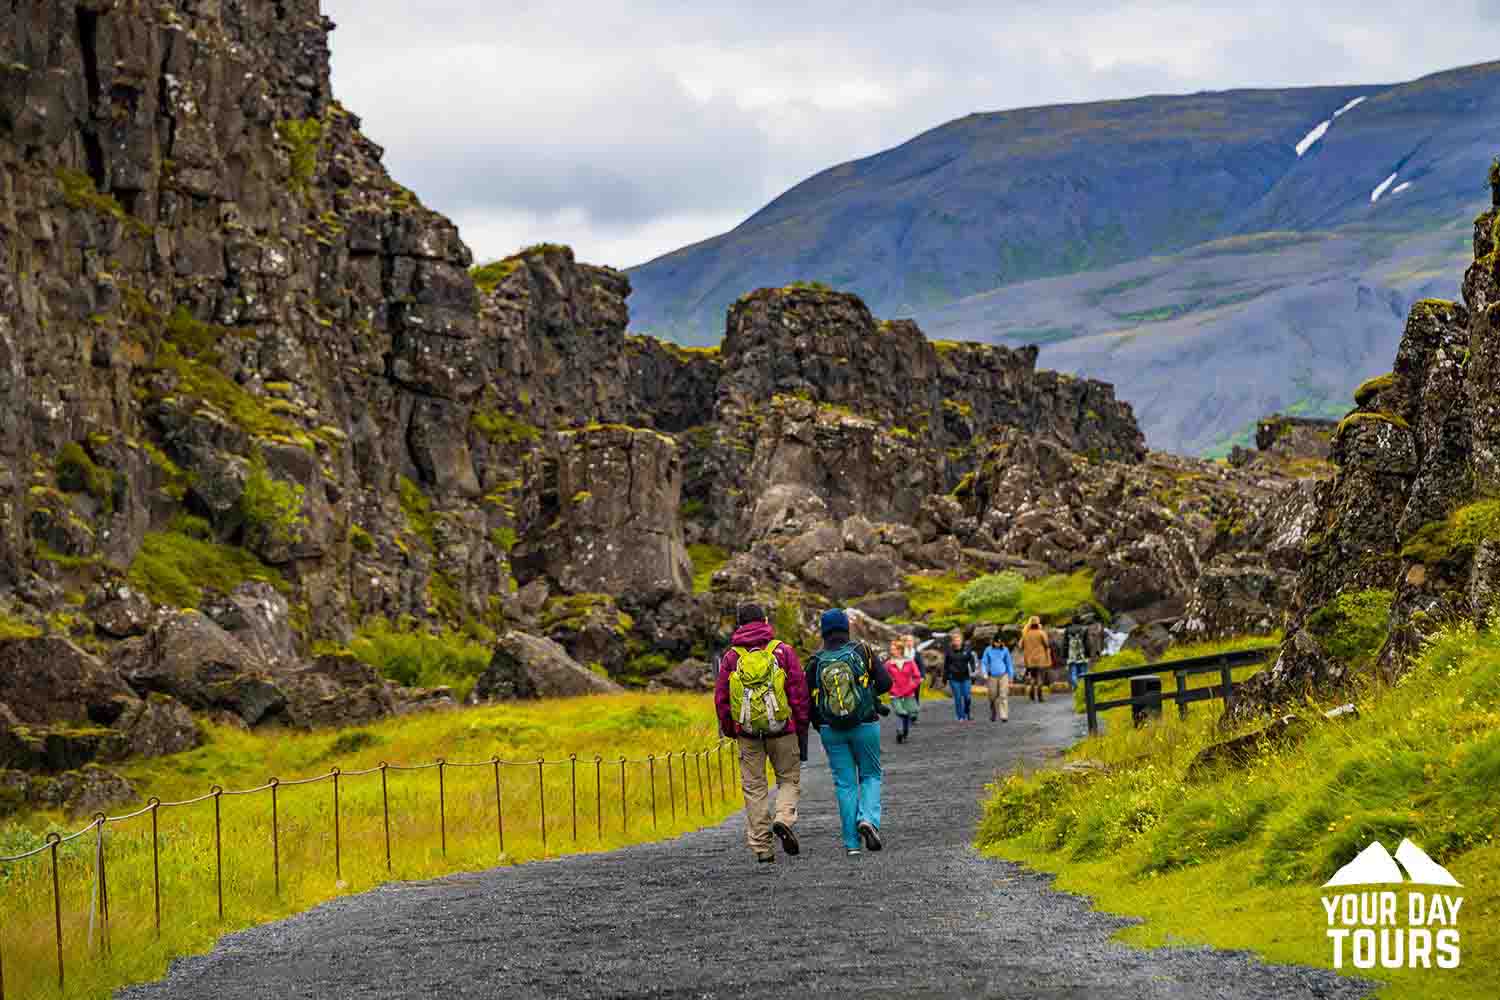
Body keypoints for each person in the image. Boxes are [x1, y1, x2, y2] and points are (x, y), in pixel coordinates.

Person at [714, 602, 811, 864]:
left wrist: (731, 729)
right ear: (765, 620)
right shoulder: (782, 651)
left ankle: (762, 848)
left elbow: (722, 698)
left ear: (739, 624)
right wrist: (800, 726)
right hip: (783, 730)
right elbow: (798, 692)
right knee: (788, 779)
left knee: (754, 788)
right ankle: (784, 818)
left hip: (746, 733)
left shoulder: (731, 657)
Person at [807, 608, 891, 856]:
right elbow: (886, 683)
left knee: (845, 784)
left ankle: (852, 844)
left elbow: (806, 700)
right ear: (846, 628)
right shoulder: (862, 651)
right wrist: (869, 695)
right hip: (865, 724)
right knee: (871, 775)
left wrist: (818, 724)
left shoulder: (815, 661)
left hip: (830, 730)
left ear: (823, 631)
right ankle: (868, 820)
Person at [885, 638, 922, 743]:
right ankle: (899, 731)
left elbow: (917, 677)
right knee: (901, 712)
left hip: (908, 694)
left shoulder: (910, 662)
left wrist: (911, 686)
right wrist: (890, 688)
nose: (891, 651)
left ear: (900, 650)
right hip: (895, 694)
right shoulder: (888, 664)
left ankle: (904, 732)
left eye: (894, 649)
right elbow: (883, 678)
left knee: (909, 713)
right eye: (891, 649)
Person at [980, 632, 1015, 722]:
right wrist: (984, 673)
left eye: (1001, 642)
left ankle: (1004, 715)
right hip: (992, 676)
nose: (999, 644)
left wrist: (1011, 676)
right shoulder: (988, 650)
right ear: (994, 642)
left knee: (1003, 695)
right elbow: (984, 662)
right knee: (992, 696)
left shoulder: (1005, 650)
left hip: (1003, 675)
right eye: (997, 642)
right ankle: (993, 711)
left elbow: (1009, 664)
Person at [942, 632, 976, 721]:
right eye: (955, 640)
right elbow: (946, 666)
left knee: (967, 697)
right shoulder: (949, 652)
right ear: (952, 642)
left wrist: (973, 669)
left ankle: (967, 712)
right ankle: (960, 716)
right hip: (954, 677)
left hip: (965, 677)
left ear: (961, 641)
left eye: (958, 640)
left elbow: (971, 660)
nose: (957, 642)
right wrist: (944, 679)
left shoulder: (967, 649)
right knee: (957, 697)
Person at [1020, 616, 1054, 703]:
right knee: (1040, 677)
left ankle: (1031, 690)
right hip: (1041, 659)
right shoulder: (1041, 633)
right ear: (1038, 623)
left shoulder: (1025, 634)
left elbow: (1020, 646)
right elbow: (1046, 644)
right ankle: (1039, 694)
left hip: (1030, 659)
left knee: (1033, 676)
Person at [1066, 627, 1089, 691]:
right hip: (1081, 658)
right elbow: (1086, 646)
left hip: (1072, 658)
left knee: (1073, 673)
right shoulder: (1080, 639)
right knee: (1083, 673)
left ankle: (1076, 685)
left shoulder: (1069, 639)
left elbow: (1066, 646)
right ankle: (1082, 687)